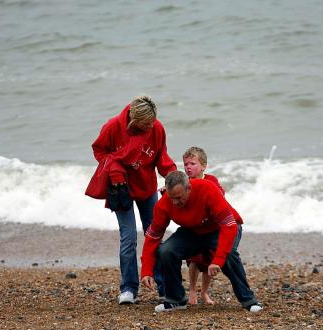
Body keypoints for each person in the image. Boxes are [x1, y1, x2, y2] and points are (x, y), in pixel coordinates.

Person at [89, 95, 176, 305]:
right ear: (133, 119)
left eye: (152, 123)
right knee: (128, 238)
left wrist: (172, 177)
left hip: (147, 188)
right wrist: (115, 169)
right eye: (145, 124)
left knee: (153, 235)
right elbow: (99, 150)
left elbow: (161, 158)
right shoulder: (113, 127)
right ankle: (128, 288)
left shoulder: (157, 129)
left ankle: (164, 288)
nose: (149, 127)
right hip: (121, 188)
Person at [140, 171, 262, 313]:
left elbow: (229, 225)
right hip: (193, 232)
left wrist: (218, 259)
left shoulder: (207, 189)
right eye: (171, 198)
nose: (175, 202)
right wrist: (146, 270)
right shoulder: (164, 204)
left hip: (222, 228)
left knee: (229, 255)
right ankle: (176, 300)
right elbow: (152, 237)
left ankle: (248, 300)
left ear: (189, 189)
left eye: (179, 198)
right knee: (166, 251)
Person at [182, 146, 224, 305]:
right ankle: (192, 290)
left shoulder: (211, 180)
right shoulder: (184, 182)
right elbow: (177, 196)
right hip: (193, 228)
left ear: (203, 166)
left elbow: (220, 196)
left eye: (192, 163)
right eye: (185, 164)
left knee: (208, 263)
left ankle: (205, 293)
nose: (188, 167)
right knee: (194, 260)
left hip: (210, 228)